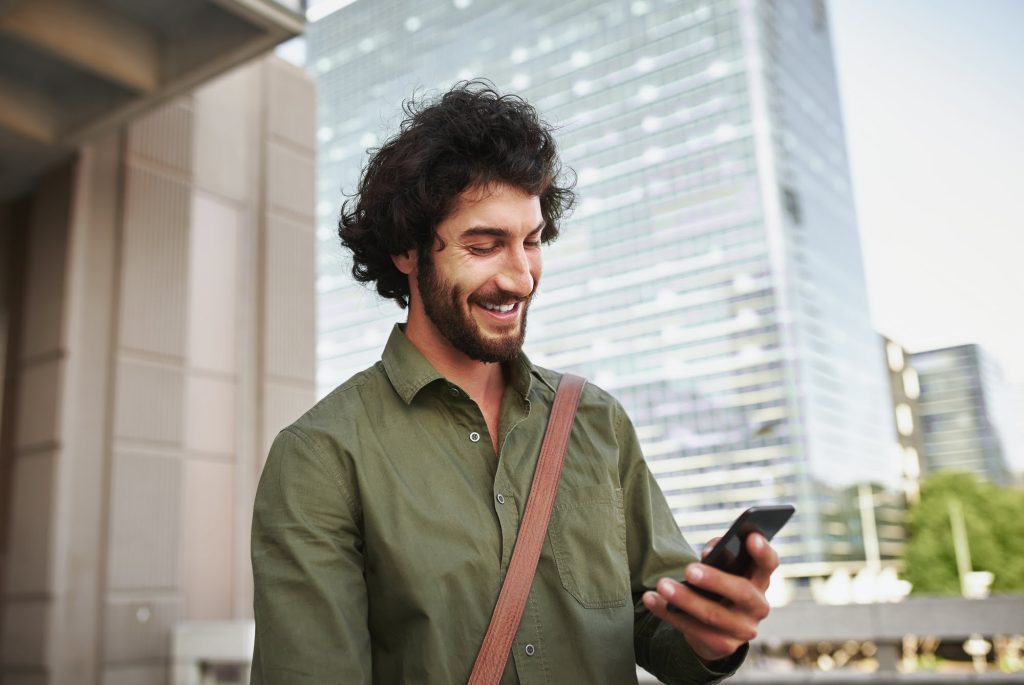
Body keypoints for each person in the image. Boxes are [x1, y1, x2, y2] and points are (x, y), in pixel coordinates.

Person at [251, 81, 779, 684]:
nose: (522, 278)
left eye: (531, 242)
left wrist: (710, 634)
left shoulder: (596, 420)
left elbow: (659, 628)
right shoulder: (319, 456)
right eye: (484, 246)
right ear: (406, 250)